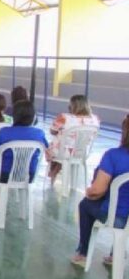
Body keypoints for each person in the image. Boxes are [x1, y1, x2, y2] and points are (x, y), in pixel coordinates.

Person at [70, 115, 129, 268]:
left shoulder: (113, 156)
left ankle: (83, 253)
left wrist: (89, 192)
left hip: (118, 217)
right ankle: (116, 254)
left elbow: (98, 190)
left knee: (85, 205)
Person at [0, 100, 48, 210]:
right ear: (33, 117)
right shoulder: (39, 134)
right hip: (28, 175)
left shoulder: (4, 132)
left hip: (4, 175)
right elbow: (47, 150)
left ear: (14, 116)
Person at [47, 95, 101, 180]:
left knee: (56, 145)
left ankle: (54, 171)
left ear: (72, 106)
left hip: (63, 152)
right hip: (82, 152)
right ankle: (58, 169)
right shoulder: (95, 119)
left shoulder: (64, 117)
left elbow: (52, 131)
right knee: (67, 147)